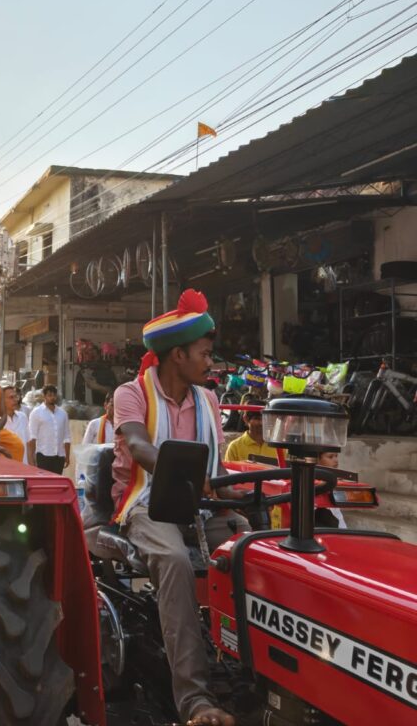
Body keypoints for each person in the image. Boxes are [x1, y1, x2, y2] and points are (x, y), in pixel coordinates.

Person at [112, 289, 245, 726]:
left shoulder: (208, 401)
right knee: (173, 561)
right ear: (176, 356)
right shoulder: (130, 394)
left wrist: (235, 496)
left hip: (201, 506)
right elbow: (137, 445)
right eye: (205, 354)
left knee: (255, 548)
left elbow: (218, 468)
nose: (211, 363)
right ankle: (195, 701)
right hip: (149, 504)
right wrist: (181, 475)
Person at [28, 385, 71, 473]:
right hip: (43, 455)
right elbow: (32, 437)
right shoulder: (36, 413)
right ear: (44, 396)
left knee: (57, 484)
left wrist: (67, 455)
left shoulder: (63, 414)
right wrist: (32, 458)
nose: (52, 398)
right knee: (44, 484)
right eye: (49, 395)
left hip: (59, 456)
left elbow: (67, 436)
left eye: (54, 395)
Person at [223, 399, 279, 464]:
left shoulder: (279, 447)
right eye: (257, 419)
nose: (262, 423)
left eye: (264, 418)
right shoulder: (235, 447)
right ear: (246, 419)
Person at [2, 385, 30, 463]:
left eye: (16, 397)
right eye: (11, 397)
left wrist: (32, 464)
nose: (15, 400)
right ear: (1, 400)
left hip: (23, 465)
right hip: (5, 467)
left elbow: (28, 443)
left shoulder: (23, 417)